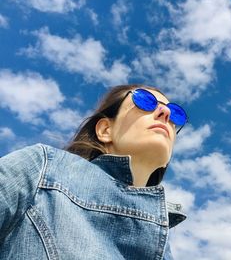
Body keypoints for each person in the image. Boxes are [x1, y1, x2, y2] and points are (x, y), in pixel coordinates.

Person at [0, 84, 188, 259]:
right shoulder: (42, 168)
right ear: (105, 130)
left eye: (175, 115)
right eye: (146, 101)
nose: (165, 112)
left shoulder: (164, 247)